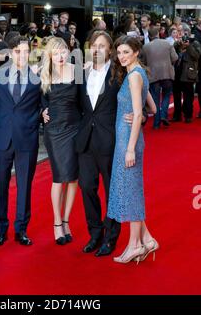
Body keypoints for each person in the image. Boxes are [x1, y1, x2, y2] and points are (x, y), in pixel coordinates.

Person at [107, 36, 158, 264]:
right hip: (126, 139)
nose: (122, 56)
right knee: (129, 190)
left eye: (126, 52)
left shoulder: (135, 76)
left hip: (128, 141)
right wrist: (141, 115)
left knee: (131, 193)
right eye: (119, 52)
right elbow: (153, 108)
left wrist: (129, 149)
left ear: (136, 52)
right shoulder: (137, 73)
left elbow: (139, 113)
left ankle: (135, 246)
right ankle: (147, 240)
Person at [0, 35, 41, 247]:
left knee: (24, 187)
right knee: (0, 185)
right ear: (11, 53)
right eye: (18, 51)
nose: (22, 55)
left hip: (27, 138)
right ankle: (1, 229)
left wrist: (44, 114)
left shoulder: (38, 78)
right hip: (1, 138)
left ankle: (21, 229)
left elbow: (45, 103)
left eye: (26, 51)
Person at [75, 30, 122, 257]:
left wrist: (139, 116)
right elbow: (69, 101)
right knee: (86, 186)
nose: (97, 49)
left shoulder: (117, 74)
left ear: (110, 50)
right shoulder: (81, 74)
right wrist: (46, 109)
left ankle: (111, 237)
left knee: (111, 190)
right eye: (94, 45)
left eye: (102, 46)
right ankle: (95, 233)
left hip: (110, 140)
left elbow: (134, 100)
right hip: (85, 140)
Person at [41, 37, 81, 245]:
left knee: (73, 178)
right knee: (59, 177)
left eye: (63, 51)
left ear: (69, 51)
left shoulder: (78, 71)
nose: (60, 56)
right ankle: (57, 223)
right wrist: (42, 110)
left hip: (75, 127)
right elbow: (39, 98)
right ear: (49, 55)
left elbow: (86, 99)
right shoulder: (45, 73)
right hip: (55, 131)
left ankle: (66, 220)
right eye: (55, 53)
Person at [141, 27, 178, 129]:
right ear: (158, 33)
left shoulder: (145, 47)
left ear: (149, 35)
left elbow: (142, 62)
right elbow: (175, 58)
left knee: (155, 99)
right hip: (167, 73)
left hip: (153, 76)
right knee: (166, 95)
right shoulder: (167, 44)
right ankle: (163, 115)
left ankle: (156, 123)